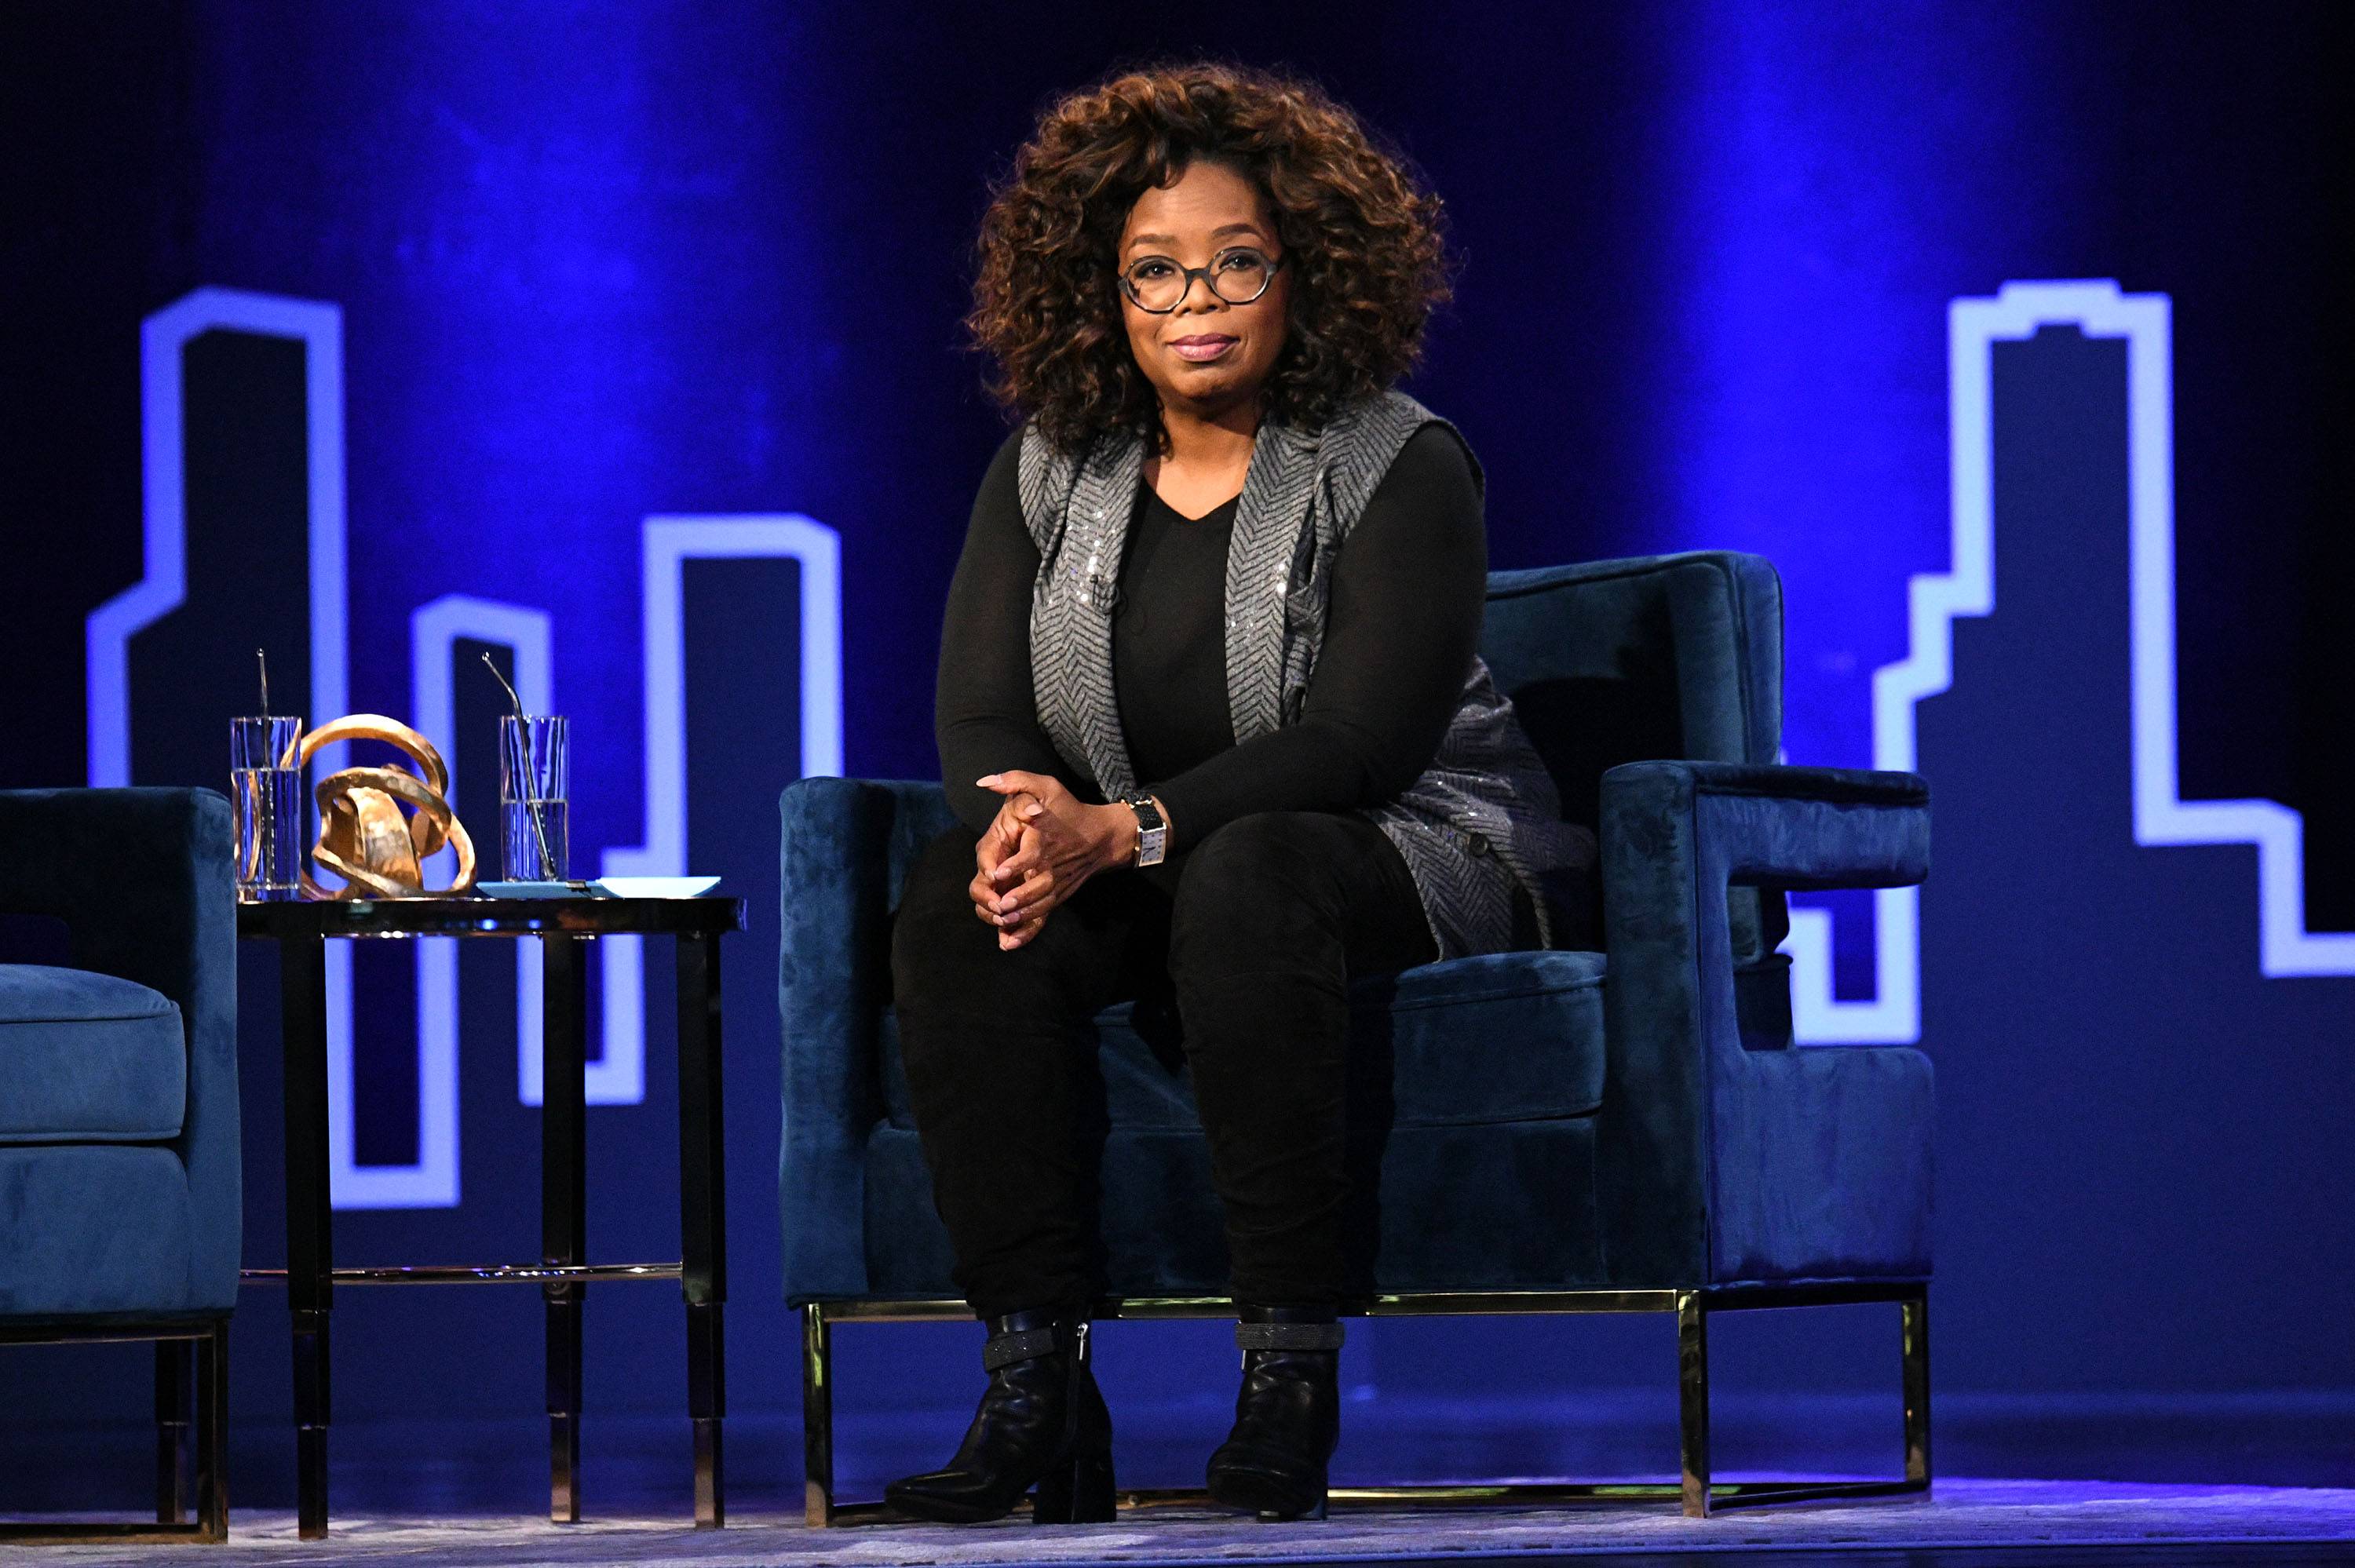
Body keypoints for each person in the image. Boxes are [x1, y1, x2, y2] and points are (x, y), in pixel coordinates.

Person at [886, 60, 1592, 1526]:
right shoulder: (1049, 467)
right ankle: (1033, 1387)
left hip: (1416, 842)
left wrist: (1125, 825)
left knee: (1256, 867)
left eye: (1234, 262)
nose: (1195, 300)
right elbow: (979, 703)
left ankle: (1287, 1374)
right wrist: (1021, 824)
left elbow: (1360, 744)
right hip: (1152, 859)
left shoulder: (1400, 461)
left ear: (1308, 271)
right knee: (963, 914)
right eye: (1156, 272)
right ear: (1104, 296)